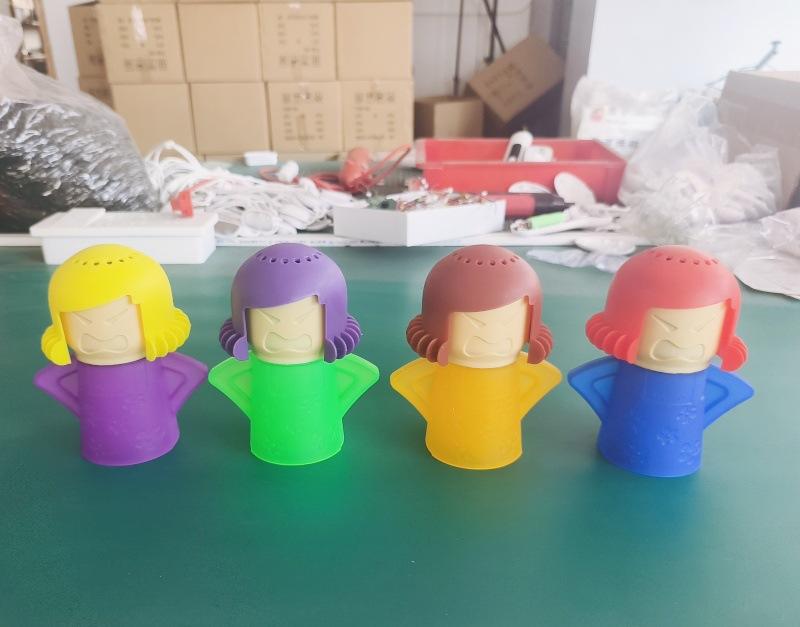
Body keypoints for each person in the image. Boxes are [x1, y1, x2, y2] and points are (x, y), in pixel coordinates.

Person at [568, 245, 753, 477]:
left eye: (702, 328)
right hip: (621, 444)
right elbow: (589, 382)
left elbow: (587, 381)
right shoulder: (612, 375)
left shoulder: (715, 383)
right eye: (667, 327)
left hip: (677, 451)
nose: (683, 341)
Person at [34, 244, 207, 466]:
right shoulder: (67, 375)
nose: (99, 333)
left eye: (115, 319)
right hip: (101, 444)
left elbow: (191, 374)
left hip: (159, 439)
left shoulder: (170, 367)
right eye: (82, 321)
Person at [391, 245, 561, 470]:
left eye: (509, 322)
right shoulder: (423, 374)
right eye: (475, 323)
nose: (493, 335)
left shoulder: (532, 373)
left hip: (501, 443)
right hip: (446, 440)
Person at [209, 244, 378, 465]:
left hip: (321, 440)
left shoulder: (348, 370)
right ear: (245, 322)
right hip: (269, 442)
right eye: (270, 320)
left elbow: (360, 377)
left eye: (302, 319)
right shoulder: (238, 372)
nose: (287, 332)